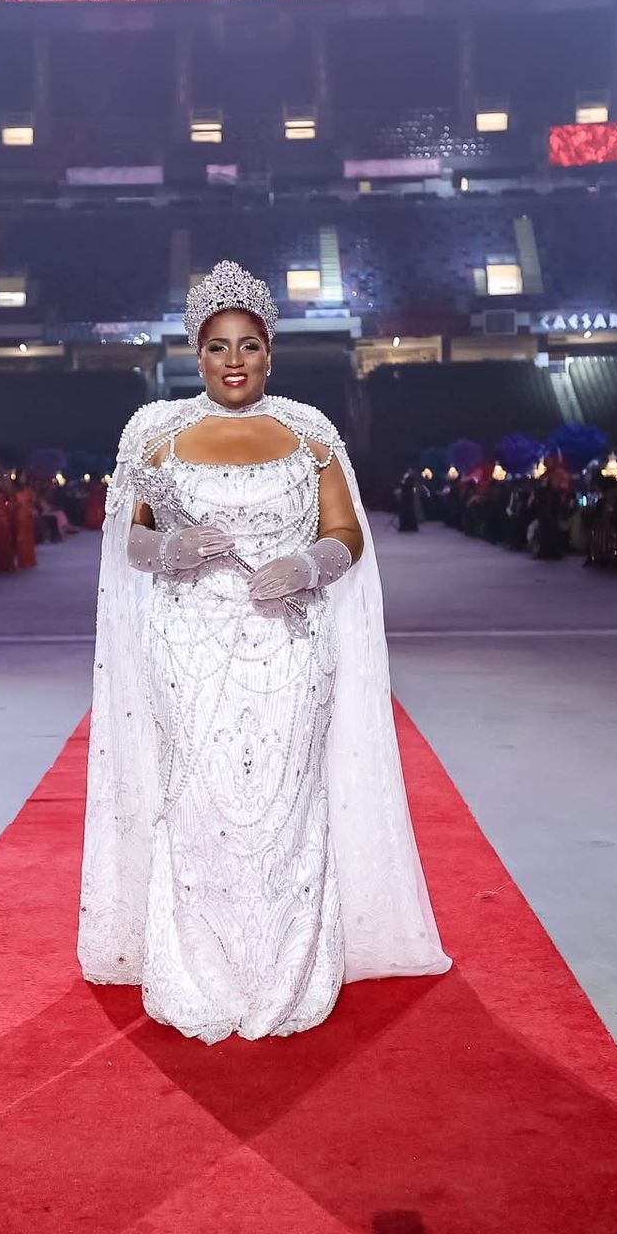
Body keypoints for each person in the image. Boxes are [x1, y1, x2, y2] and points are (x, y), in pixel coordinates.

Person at [81, 261, 450, 1044]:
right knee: (202, 803)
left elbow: (346, 531)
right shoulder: (155, 433)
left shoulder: (310, 432)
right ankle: (199, 970)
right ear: (196, 353)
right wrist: (169, 548)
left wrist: (311, 564)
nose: (234, 360)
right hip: (187, 644)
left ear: (272, 351)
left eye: (249, 344)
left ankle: (290, 971)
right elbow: (130, 538)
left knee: (289, 800)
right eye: (217, 346)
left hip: (290, 640)